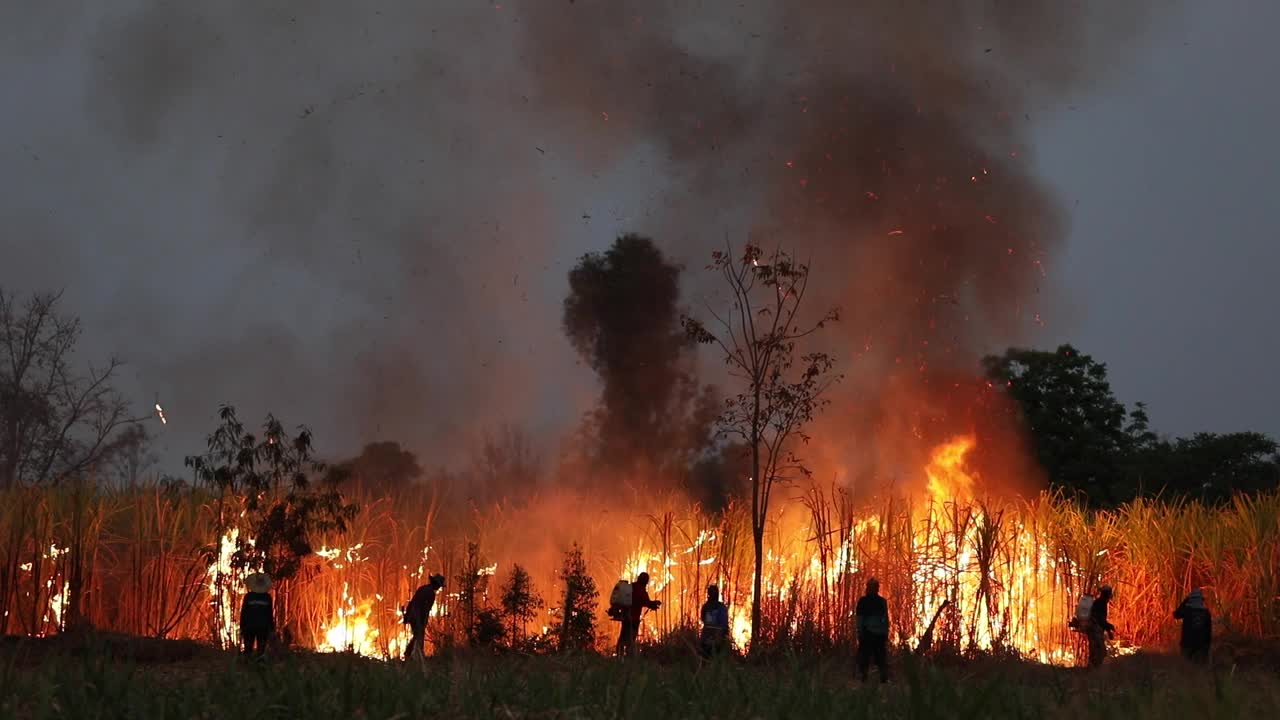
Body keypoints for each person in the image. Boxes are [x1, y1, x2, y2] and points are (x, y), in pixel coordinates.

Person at [617, 572, 661, 657]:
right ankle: (628, 657)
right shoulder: (641, 590)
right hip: (633, 619)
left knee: (622, 637)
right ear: (646, 582)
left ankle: (619, 656)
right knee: (631, 638)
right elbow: (646, 602)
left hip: (625, 617)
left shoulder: (630, 587)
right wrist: (654, 604)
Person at [403, 573, 445, 661]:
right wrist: (423, 621)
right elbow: (425, 609)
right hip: (418, 617)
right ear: (436, 584)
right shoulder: (431, 594)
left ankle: (411, 654)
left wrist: (407, 616)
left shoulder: (422, 588)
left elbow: (412, 602)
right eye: (439, 585)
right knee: (418, 636)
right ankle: (415, 655)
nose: (439, 588)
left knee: (416, 635)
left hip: (412, 615)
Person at [855, 577, 890, 682]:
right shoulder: (882, 601)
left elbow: (859, 619)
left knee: (866, 656)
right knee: (880, 657)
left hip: (868, 634)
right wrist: (885, 632)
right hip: (879, 634)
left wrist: (860, 632)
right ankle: (882, 678)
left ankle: (865, 677)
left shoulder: (863, 601)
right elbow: (886, 619)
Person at [1173, 588, 1212, 664]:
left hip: (1187, 644)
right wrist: (1207, 646)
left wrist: (1185, 602)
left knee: (1187, 667)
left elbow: (1176, 614)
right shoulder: (1206, 612)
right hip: (1201, 645)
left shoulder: (1187, 610)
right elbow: (1209, 630)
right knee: (1200, 668)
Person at [240, 572, 274, 658]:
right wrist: (271, 628)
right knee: (261, 649)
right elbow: (269, 614)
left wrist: (242, 627)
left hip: (249, 626)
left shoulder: (248, 597)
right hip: (263, 627)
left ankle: (247, 665)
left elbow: (244, 613)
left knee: (248, 648)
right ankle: (259, 666)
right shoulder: (267, 597)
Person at [1086, 585, 1116, 668]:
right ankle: (1093, 671)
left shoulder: (1099, 602)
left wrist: (1108, 628)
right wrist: (1109, 627)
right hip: (1095, 630)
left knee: (1096, 651)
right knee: (1099, 652)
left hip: (1094, 630)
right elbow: (1100, 619)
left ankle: (1092, 670)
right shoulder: (1101, 603)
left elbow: (1101, 620)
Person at [699, 584, 729, 658]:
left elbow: (703, 619)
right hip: (717, 638)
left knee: (706, 657)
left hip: (706, 637)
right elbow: (724, 624)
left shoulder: (705, 606)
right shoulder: (721, 607)